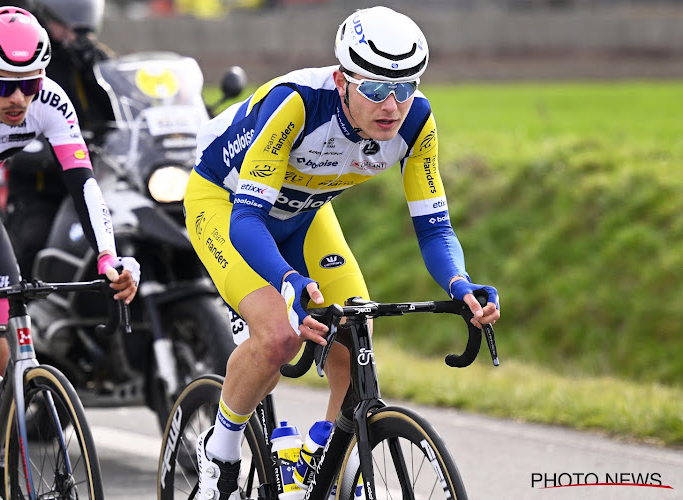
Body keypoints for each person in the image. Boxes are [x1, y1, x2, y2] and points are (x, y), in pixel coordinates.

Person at [184, 5, 500, 498]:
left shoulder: (417, 123)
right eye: (375, 88)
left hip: (307, 212)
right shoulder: (298, 105)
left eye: (406, 86)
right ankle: (219, 449)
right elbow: (248, 221)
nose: (391, 105)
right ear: (341, 80)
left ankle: (324, 468)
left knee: (356, 335)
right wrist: (288, 282)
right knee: (279, 338)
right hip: (227, 206)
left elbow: (435, 229)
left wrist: (460, 284)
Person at [0, 5, 139, 459]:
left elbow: (84, 185)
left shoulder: (50, 101)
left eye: (30, 84)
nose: (19, 100)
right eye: (4, 85)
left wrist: (109, 256)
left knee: (0, 352)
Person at [4, 0, 114, 281]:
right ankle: (25, 315)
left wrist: (92, 71)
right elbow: (9, 115)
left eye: (80, 25)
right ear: (45, 18)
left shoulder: (101, 61)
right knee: (33, 242)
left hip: (101, 179)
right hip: (42, 188)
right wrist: (32, 148)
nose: (73, 32)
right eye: (64, 24)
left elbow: (127, 107)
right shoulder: (30, 63)